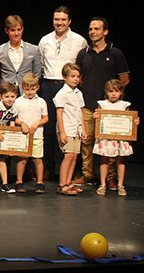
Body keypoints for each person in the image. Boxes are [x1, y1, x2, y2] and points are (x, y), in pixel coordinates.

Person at [74, 17, 130, 189]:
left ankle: (111, 178)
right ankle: (88, 175)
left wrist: (111, 97)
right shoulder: (84, 53)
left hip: (110, 109)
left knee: (111, 142)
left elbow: (124, 79)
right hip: (88, 105)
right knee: (87, 141)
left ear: (105, 32)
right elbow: (79, 77)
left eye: (96, 29)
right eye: (90, 29)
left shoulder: (115, 53)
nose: (92, 32)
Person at [38, 6, 87, 180]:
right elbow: (41, 64)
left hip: (70, 87)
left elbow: (81, 66)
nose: (59, 23)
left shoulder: (79, 41)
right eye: (56, 19)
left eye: (63, 20)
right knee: (49, 130)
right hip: (49, 85)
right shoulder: (45, 40)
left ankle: (75, 170)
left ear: (69, 21)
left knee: (74, 129)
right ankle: (49, 168)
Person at [94, 79, 138, 197]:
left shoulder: (124, 105)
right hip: (106, 137)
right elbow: (99, 118)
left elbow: (129, 120)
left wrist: (135, 122)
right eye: (111, 91)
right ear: (106, 92)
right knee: (104, 159)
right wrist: (96, 116)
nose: (113, 93)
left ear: (121, 93)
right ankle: (103, 184)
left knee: (120, 160)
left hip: (120, 138)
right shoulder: (102, 104)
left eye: (116, 91)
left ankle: (120, 185)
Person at [53, 63, 86, 196]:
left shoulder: (78, 93)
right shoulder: (62, 93)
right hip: (67, 128)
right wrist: (62, 132)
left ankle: (68, 181)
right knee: (68, 156)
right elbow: (59, 114)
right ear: (65, 77)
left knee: (74, 156)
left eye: (78, 76)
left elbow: (80, 112)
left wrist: (83, 128)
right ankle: (62, 185)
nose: (76, 79)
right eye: (72, 76)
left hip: (76, 128)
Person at [13, 73, 49, 193]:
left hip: (37, 135)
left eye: (32, 89)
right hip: (23, 136)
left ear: (37, 88)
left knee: (37, 159)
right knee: (22, 159)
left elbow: (46, 118)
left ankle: (39, 182)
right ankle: (19, 181)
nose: (29, 92)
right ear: (22, 87)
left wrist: (37, 124)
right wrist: (22, 123)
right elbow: (13, 117)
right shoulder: (18, 101)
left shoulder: (41, 101)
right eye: (27, 89)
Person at [0, 15, 42, 95]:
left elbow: (37, 74)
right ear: (7, 31)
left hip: (27, 93)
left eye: (19, 29)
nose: (16, 33)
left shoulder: (34, 50)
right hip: (7, 94)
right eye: (13, 30)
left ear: (22, 29)